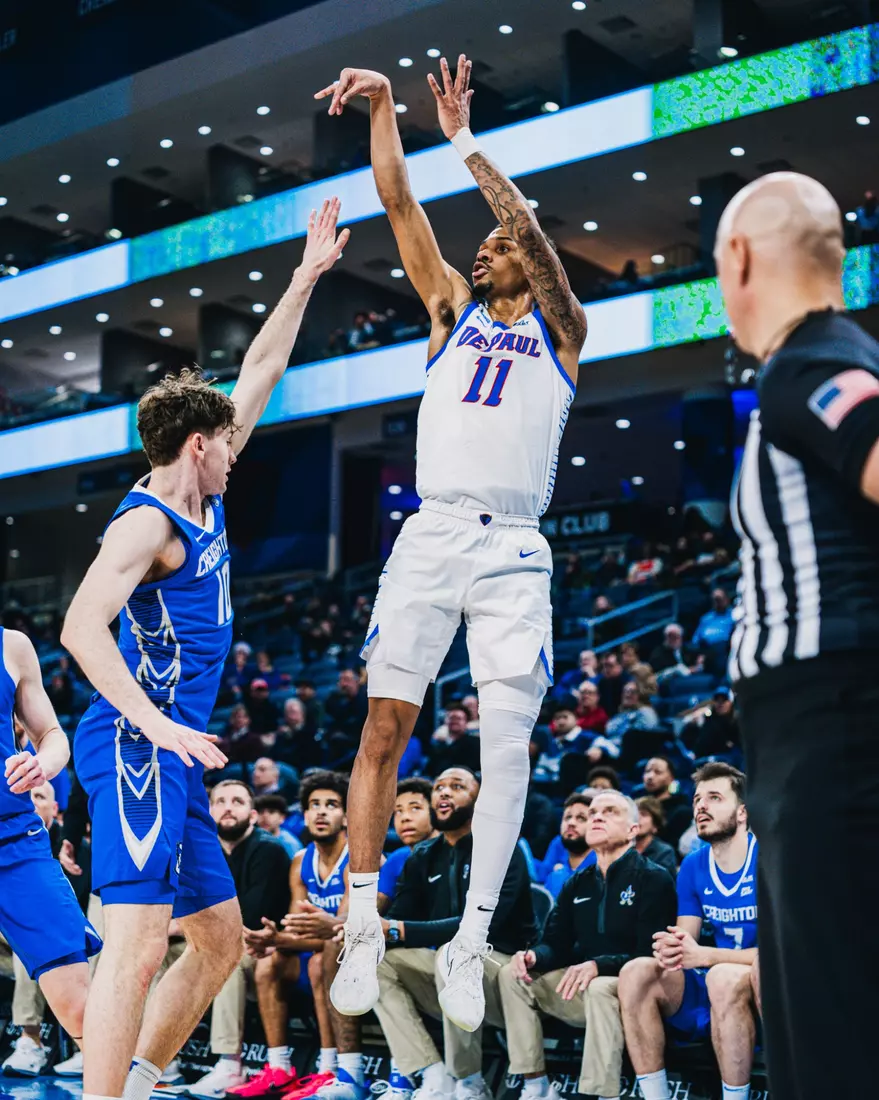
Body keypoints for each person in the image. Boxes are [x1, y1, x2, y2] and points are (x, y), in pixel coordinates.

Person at [317, 53, 586, 1030]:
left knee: (504, 742)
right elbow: (397, 203)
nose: (480, 256)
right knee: (384, 726)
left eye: (495, 248)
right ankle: (361, 916)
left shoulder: (563, 330)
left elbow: (535, 243)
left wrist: (468, 143)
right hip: (430, 533)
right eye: (477, 249)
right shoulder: (449, 315)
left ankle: (471, 937)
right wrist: (390, 109)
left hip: (515, 546)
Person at [61, 199, 350, 1100]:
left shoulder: (204, 493)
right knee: (140, 941)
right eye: (226, 445)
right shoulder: (146, 526)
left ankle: (138, 1078)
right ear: (198, 445)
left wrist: (304, 276)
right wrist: (153, 722)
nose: (238, 455)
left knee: (220, 939)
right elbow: (77, 627)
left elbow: (261, 366)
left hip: (174, 752)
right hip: (137, 750)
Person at [715, 170, 879, 1100]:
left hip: (834, 738)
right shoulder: (826, 357)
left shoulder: (807, 365)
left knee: (831, 1033)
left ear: (736, 258)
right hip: (819, 740)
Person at [368, 768, 536, 1100]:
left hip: (504, 968)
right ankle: (430, 1072)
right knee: (377, 962)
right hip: (448, 971)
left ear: (479, 799)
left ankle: (469, 1081)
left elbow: (487, 924)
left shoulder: (501, 849)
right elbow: (401, 918)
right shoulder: (423, 857)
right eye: (439, 787)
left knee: (451, 952)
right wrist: (374, 930)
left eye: (457, 787)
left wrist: (400, 930)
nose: (444, 793)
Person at [498, 791, 676, 1100]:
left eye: (610, 812)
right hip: (588, 984)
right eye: (593, 812)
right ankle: (535, 1086)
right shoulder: (576, 883)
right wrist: (533, 956)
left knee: (599, 986)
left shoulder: (654, 878)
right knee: (513, 976)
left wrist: (598, 965)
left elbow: (649, 955)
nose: (596, 817)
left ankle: (601, 1094)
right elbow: (556, 944)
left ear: (633, 830)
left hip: (638, 991)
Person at [618, 764, 758, 1100]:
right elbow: (687, 942)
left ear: (742, 812)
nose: (701, 807)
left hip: (767, 981)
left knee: (722, 977)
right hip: (716, 978)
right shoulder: (694, 864)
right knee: (637, 971)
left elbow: (785, 953)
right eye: (697, 799)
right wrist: (672, 947)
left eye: (714, 798)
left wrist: (707, 955)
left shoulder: (768, 858)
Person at [0, 628, 101, 1074]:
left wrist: (42, 764)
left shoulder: (11, 646)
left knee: (79, 1006)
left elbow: (53, 736)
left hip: (14, 843)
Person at [304, 778, 439, 1100]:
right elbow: (369, 912)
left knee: (378, 960)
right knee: (340, 946)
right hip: (406, 957)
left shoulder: (453, 852)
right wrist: (339, 926)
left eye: (415, 809)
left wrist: (340, 925)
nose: (404, 817)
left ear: (436, 812)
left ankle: (403, 1074)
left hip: (445, 960)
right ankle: (350, 1073)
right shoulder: (395, 861)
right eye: (398, 811)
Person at [239, 772, 350, 1099]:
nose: (320, 812)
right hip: (311, 954)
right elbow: (295, 925)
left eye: (331, 805)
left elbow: (340, 933)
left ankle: (329, 1068)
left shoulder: (357, 858)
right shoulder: (301, 860)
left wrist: (279, 938)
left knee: (322, 958)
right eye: (314, 805)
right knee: (268, 964)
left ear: (346, 815)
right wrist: (274, 939)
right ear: (303, 815)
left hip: (348, 959)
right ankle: (279, 1066)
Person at [187, 781, 293, 1100]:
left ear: (254, 814)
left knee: (224, 959)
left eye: (237, 801)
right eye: (219, 801)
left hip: (267, 950)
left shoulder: (268, 849)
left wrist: (193, 923)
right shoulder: (205, 850)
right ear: (208, 811)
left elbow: (252, 915)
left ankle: (229, 1062)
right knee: (158, 955)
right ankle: (158, 1057)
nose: (228, 807)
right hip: (217, 941)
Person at [540, 791, 594, 898]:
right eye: (567, 817)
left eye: (581, 818)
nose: (571, 823)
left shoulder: (605, 874)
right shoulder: (555, 877)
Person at [638, 758, 692, 848]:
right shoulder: (635, 806)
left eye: (658, 772)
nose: (650, 776)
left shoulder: (681, 812)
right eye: (647, 771)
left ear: (671, 778)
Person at [429, 703, 481, 774]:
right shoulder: (438, 745)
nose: (454, 721)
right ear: (445, 721)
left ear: (466, 722)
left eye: (458, 718)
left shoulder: (475, 743)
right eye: (451, 718)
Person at [634, 797, 677, 877]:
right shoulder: (621, 848)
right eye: (635, 814)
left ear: (655, 825)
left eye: (643, 814)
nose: (637, 818)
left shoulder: (664, 852)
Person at [254, 794, 303, 858]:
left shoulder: (290, 844)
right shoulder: (251, 839)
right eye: (261, 812)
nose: (265, 816)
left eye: (271, 812)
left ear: (282, 818)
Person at [596, 651, 627, 716]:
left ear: (620, 666)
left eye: (610, 666)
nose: (606, 669)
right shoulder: (602, 683)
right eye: (604, 666)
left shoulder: (628, 683)